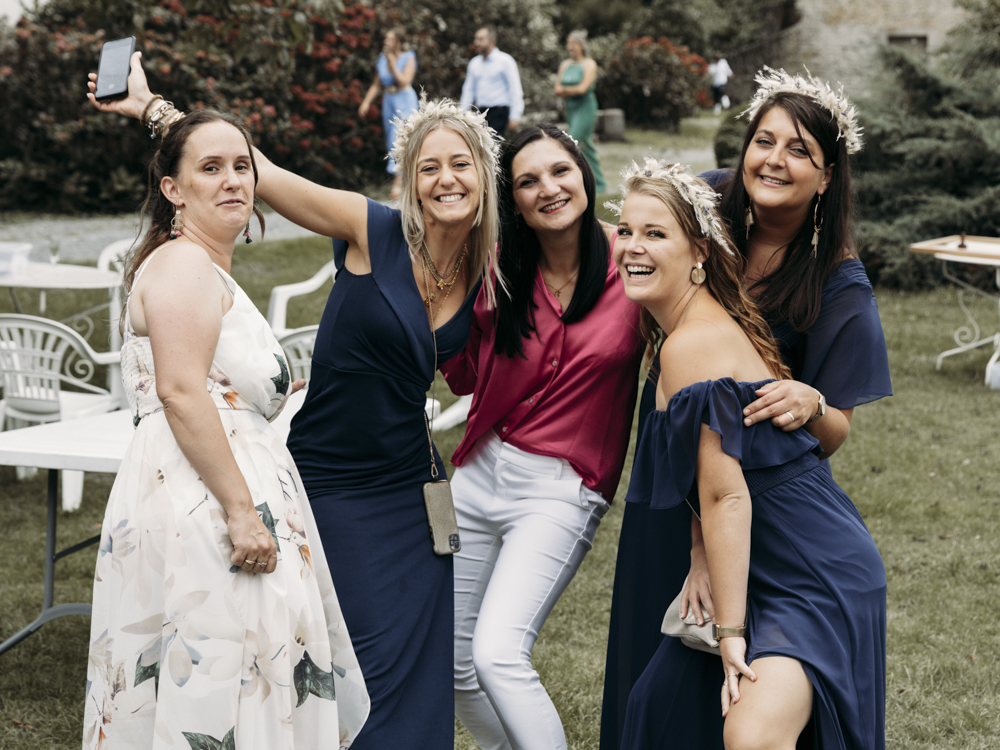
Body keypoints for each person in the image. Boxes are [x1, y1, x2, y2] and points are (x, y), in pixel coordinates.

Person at [89, 55, 502, 750]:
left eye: (460, 164)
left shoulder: (490, 271)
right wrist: (153, 109)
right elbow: (254, 172)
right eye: (428, 167)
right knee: (336, 658)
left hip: (411, 484)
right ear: (408, 181)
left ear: (484, 175)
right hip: (327, 479)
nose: (445, 179)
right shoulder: (372, 228)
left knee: (416, 663)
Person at [600, 68, 892, 749]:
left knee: (745, 708)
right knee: (662, 681)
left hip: (767, 513)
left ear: (827, 177)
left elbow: (828, 434)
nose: (775, 160)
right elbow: (631, 232)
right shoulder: (707, 206)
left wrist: (811, 399)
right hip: (692, 488)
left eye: (799, 150)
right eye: (765, 140)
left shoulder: (837, 284)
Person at [80, 108, 369, 749]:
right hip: (206, 501)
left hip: (218, 483)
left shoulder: (200, 267)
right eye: (210, 168)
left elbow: (209, 385)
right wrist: (242, 512)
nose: (233, 179)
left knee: (245, 667)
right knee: (222, 675)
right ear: (173, 190)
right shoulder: (183, 264)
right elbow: (181, 392)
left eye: (242, 166)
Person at [440, 124, 644, 750]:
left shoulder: (635, 261)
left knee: (497, 654)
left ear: (584, 173)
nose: (548, 189)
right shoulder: (498, 267)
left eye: (559, 171)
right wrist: (445, 293)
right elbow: (463, 376)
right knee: (452, 662)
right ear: (514, 202)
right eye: (527, 182)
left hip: (561, 488)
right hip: (477, 473)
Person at [358, 27, 418, 200]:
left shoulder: (408, 57)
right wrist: (366, 102)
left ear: (399, 42)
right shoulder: (382, 58)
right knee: (391, 139)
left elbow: (404, 80)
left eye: (390, 39)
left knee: (402, 137)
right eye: (386, 39)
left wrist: (393, 64)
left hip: (405, 99)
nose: (386, 42)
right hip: (389, 101)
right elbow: (377, 84)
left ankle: (398, 183)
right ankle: (403, 179)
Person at [555, 30, 607, 194]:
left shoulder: (589, 64)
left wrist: (566, 90)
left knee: (573, 141)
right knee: (587, 145)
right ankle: (599, 183)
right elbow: (557, 89)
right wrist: (573, 90)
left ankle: (579, 181)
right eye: (568, 43)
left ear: (582, 46)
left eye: (573, 43)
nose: (570, 47)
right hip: (571, 108)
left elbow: (583, 88)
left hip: (586, 107)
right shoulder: (565, 65)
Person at [459, 26, 524, 138]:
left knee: (492, 143)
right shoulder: (474, 63)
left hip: (499, 112)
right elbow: (469, 89)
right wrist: (461, 113)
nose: (476, 43)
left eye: (481, 39)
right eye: (476, 39)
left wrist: (515, 115)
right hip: (480, 113)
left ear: (492, 41)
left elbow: (515, 88)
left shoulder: (505, 61)